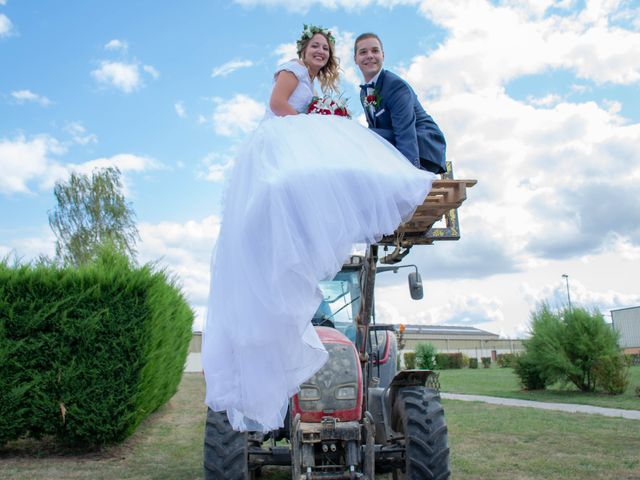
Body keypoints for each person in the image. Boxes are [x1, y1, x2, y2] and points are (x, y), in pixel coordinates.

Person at [202, 25, 436, 433]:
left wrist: (324, 123)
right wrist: (314, 124)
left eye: (326, 48)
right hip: (278, 141)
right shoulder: (292, 71)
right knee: (288, 189)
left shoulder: (362, 86)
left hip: (301, 137)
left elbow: (399, 130)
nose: (320, 52)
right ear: (303, 49)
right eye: (316, 46)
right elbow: (277, 105)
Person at [355, 32, 447, 174]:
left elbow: (405, 132)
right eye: (363, 52)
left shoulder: (395, 85)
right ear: (355, 59)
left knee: (361, 134)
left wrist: (410, 174)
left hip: (424, 148)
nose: (369, 55)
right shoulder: (364, 93)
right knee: (363, 135)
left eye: (375, 50)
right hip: (397, 145)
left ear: (383, 55)